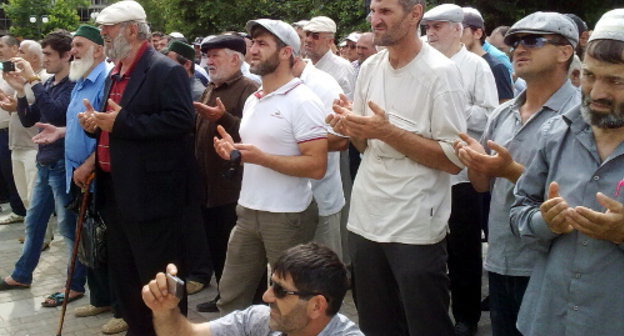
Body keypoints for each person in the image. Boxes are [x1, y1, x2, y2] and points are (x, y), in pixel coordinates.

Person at [326, 0, 467, 334]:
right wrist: (351, 128)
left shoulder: (441, 74)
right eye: (373, 12)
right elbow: (364, 145)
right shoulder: (371, 67)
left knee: (425, 322)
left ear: (415, 14)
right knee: (376, 322)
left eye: (386, 12)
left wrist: (386, 131)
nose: (375, 20)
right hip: (366, 216)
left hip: (415, 222)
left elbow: (452, 160)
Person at [453, 12, 579, 336]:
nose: (519, 49)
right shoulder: (502, 113)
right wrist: (474, 161)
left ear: (565, 51)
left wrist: (509, 170)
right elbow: (482, 186)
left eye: (533, 41)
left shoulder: (580, 117)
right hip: (500, 259)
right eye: (514, 42)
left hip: (550, 264)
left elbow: (572, 197)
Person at [78, 1, 197, 334]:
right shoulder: (114, 71)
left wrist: (121, 123)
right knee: (126, 273)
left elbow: (181, 121)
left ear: (132, 29)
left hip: (151, 197)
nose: (102, 36)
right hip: (115, 191)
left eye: (107, 29)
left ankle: (172, 330)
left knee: (159, 276)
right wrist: (95, 124)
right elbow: (115, 123)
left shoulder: (164, 69)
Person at [510, 9, 624, 336]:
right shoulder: (555, 133)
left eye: (615, 81)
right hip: (548, 318)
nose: (598, 93)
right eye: (589, 76)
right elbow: (519, 211)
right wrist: (543, 222)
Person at [213, 18, 327, 315]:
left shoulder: (303, 100)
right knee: (230, 294)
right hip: (248, 211)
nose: (253, 50)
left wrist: (259, 158)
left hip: (287, 216)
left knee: (290, 302)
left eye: (263, 44)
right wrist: (234, 152)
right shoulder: (255, 99)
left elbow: (316, 166)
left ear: (287, 52)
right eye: (253, 43)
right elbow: (258, 151)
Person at [422, 5, 498, 335]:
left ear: (458, 29)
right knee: (429, 248)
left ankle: (466, 316)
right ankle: (433, 311)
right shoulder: (421, 63)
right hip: (425, 170)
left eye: (439, 26)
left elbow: (490, 114)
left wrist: (450, 110)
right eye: (428, 27)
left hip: (462, 175)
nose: (432, 33)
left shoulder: (476, 67)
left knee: (464, 250)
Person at [0, 31, 85, 305]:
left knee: (68, 229)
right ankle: (22, 274)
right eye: (44, 53)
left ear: (66, 56)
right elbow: (30, 120)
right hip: (45, 162)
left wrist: (33, 81)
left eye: (49, 55)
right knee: (34, 223)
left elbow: (58, 113)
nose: (44, 59)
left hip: (62, 164)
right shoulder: (47, 84)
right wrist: (21, 91)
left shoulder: (73, 84)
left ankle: (75, 285)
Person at [143, 243, 363, 336]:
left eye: (280, 290)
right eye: (271, 284)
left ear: (317, 306)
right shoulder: (259, 320)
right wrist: (164, 310)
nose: (267, 296)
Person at [192, 34, 259, 312]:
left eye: (215, 55)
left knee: (240, 253)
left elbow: (252, 133)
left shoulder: (249, 88)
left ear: (235, 58)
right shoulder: (212, 87)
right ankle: (225, 297)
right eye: (207, 56)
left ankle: (249, 306)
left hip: (232, 186)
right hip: (208, 187)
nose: (209, 61)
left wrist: (222, 118)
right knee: (218, 246)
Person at [0, 35, 27, 226]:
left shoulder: (21, 71)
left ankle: (22, 210)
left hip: (13, 130)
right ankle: (18, 209)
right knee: (8, 172)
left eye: (1, 46)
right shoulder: (2, 69)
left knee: (14, 173)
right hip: (5, 131)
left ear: (14, 48)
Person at [461, 7, 514, 104]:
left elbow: (505, 109)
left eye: (461, 30)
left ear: (477, 33)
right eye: (455, 30)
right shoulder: (455, 63)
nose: (457, 35)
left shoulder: (496, 67)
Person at [303, 16, 356, 99]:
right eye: (307, 34)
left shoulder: (343, 68)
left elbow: (348, 103)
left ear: (330, 42)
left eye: (315, 36)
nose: (308, 40)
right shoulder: (300, 65)